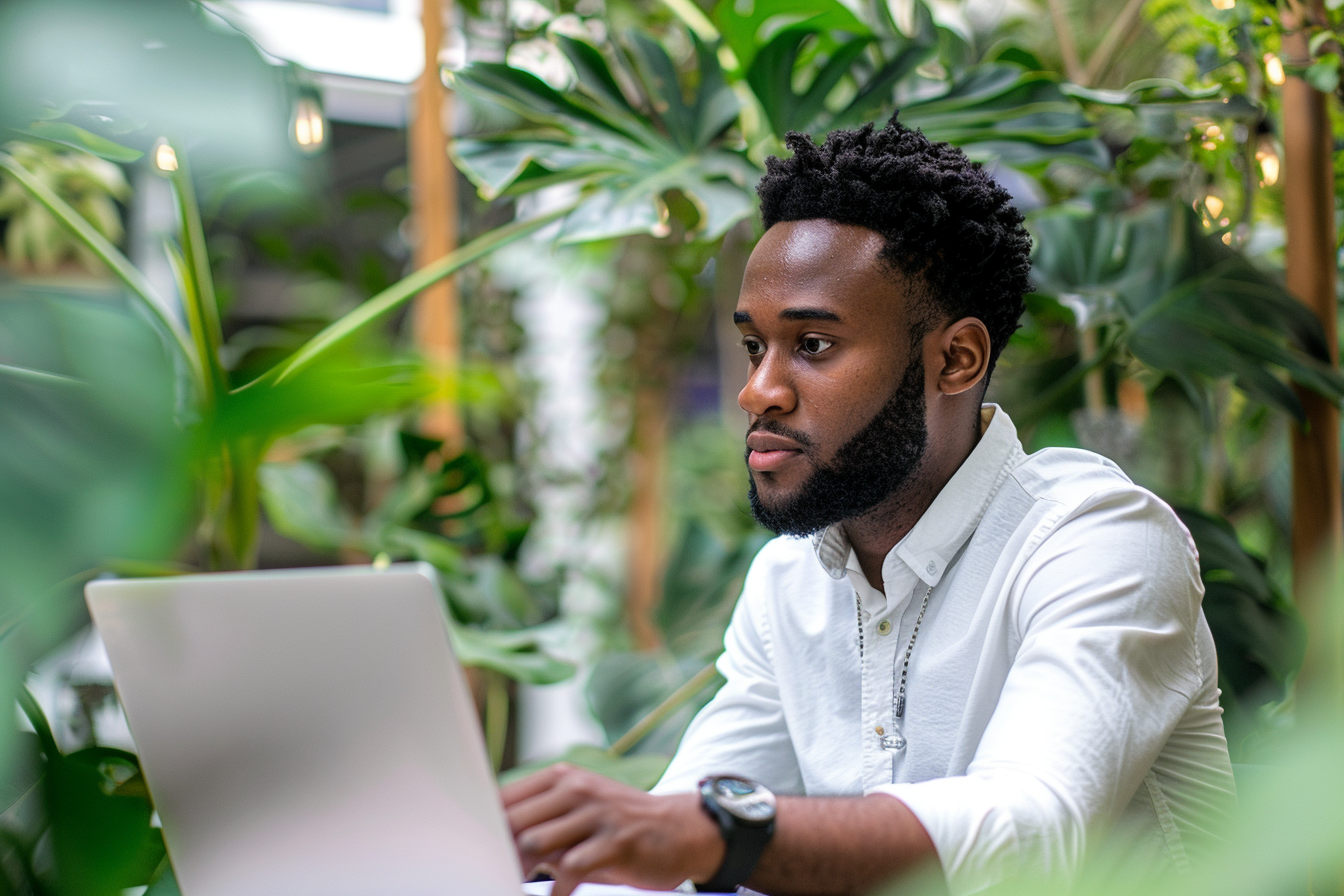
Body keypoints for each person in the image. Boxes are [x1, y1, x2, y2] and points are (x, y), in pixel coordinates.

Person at [502, 116, 1236, 896]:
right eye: (754, 347)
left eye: (813, 345)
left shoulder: (1097, 542)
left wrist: (712, 834)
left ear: (957, 359)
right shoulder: (789, 584)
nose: (757, 391)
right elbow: (668, 857)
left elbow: (1026, 830)